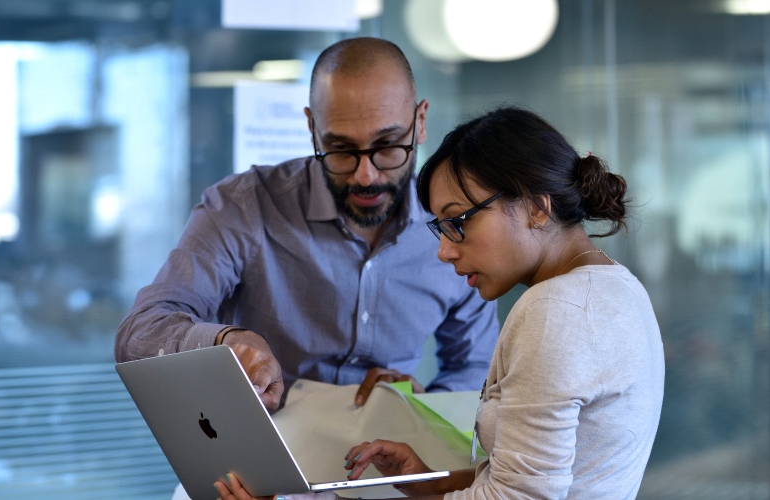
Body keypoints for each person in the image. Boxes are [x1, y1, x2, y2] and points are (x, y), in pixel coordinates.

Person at [215, 106, 665, 500]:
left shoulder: (554, 309)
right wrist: (434, 483)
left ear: (536, 208)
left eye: (458, 222)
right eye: (439, 229)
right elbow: (543, 479)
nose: (445, 250)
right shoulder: (616, 288)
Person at [114, 37, 498, 412]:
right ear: (312, 129)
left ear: (420, 121)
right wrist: (226, 340)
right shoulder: (242, 207)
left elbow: (474, 369)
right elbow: (139, 333)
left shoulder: (452, 224)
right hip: (260, 461)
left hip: (389, 463)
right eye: (341, 150)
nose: (366, 176)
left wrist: (423, 407)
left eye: (387, 146)